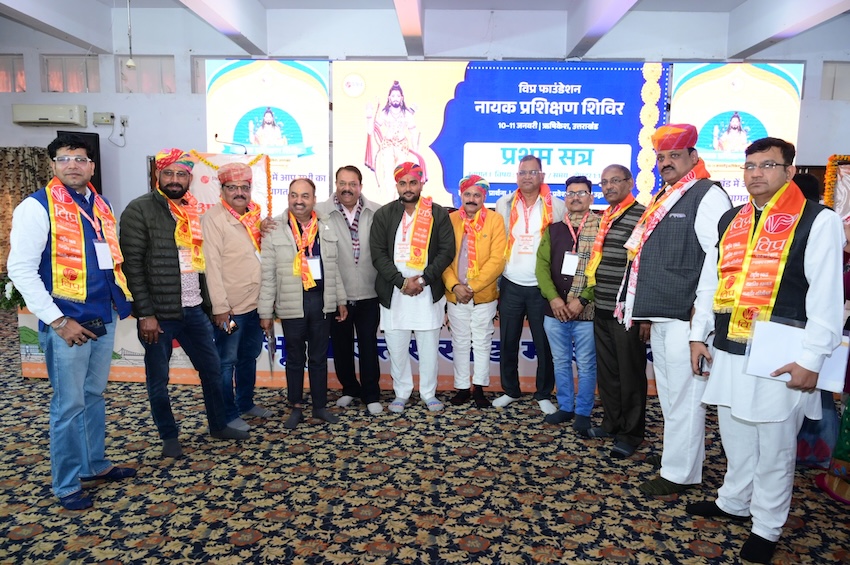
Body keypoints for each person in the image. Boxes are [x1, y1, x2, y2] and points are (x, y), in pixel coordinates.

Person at [687, 137, 844, 564]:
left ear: (790, 171)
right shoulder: (732, 219)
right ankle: (734, 501)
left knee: (774, 444)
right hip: (729, 345)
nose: (756, 173)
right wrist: (699, 334)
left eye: (768, 165)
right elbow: (711, 281)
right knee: (736, 433)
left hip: (782, 350)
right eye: (750, 165)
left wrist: (812, 359)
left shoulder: (818, 220)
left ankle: (768, 525)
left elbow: (826, 296)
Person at [7, 133, 136, 509]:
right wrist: (58, 320)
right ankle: (65, 484)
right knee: (68, 404)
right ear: (53, 165)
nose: (73, 165)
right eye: (64, 159)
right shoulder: (36, 206)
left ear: (92, 166)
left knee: (93, 396)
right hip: (67, 324)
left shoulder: (101, 204)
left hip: (102, 315)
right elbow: (20, 269)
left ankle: (93, 465)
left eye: (80, 158)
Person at [618, 124, 731, 495]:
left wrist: (701, 322)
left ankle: (679, 473)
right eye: (661, 157)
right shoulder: (668, 194)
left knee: (685, 398)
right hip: (664, 314)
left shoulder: (707, 194)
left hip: (688, 317)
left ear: (693, 156)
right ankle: (678, 457)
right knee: (670, 396)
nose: (665, 163)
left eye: (674, 156)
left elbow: (716, 262)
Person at [120, 148, 249, 460]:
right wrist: (145, 314)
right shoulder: (139, 209)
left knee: (212, 369)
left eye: (181, 174)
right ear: (158, 175)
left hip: (194, 309)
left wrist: (210, 306)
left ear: (190, 178)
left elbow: (202, 264)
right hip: (160, 314)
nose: (175, 179)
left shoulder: (192, 210)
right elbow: (132, 266)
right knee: (158, 379)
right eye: (169, 173)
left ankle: (218, 425)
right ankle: (169, 436)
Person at [258, 178, 348, 429]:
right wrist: (265, 311)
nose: (299, 201)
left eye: (305, 196)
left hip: (321, 302)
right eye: (294, 195)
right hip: (291, 302)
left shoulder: (326, 226)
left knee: (318, 358)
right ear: (288, 197)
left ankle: (320, 406)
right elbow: (268, 275)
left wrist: (341, 300)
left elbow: (334, 268)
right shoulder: (274, 229)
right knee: (295, 358)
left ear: (314, 199)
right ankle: (295, 406)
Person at [370, 162, 455, 413]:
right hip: (394, 293)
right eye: (403, 183)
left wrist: (424, 280)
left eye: (413, 182)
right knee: (397, 348)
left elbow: (446, 251)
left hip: (427, 293)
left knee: (428, 349)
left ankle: (429, 393)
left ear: (421, 183)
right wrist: (402, 282)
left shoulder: (437, 213)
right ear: (396, 185)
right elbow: (378, 254)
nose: (408, 188)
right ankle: (402, 392)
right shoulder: (384, 214)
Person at [580, 164, 648, 459]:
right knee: (608, 373)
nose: (608, 187)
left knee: (630, 375)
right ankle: (612, 423)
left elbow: (645, 266)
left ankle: (631, 434)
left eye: (615, 181)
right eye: (604, 182)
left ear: (630, 182)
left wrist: (643, 314)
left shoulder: (642, 216)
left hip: (627, 312)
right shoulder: (606, 217)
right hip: (602, 307)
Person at [201, 162, 273, 433]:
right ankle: (227, 415)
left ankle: (245, 403)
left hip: (254, 306)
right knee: (226, 361)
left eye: (244, 187)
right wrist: (220, 308)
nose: (239, 192)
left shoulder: (254, 216)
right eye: (232, 187)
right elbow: (211, 267)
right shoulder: (213, 220)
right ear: (222, 190)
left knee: (249, 356)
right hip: (230, 310)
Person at [494, 155, 566, 414]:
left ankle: (543, 393)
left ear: (542, 176)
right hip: (511, 283)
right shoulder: (503, 204)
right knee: (508, 341)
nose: (527, 177)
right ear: (517, 176)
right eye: (523, 172)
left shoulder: (557, 206)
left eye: (533, 172)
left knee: (544, 343)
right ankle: (510, 390)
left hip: (541, 287)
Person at [315, 165, 383, 415]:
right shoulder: (320, 211)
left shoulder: (377, 211)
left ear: (360, 186)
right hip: (337, 293)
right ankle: (349, 389)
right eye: (342, 183)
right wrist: (268, 222)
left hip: (369, 292)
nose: (347, 188)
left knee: (368, 345)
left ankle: (371, 394)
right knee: (341, 345)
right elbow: (291, 215)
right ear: (336, 184)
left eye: (352, 184)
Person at [535, 176, 600, 429]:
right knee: (560, 362)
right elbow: (541, 267)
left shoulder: (602, 228)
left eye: (581, 193)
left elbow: (605, 269)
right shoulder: (554, 229)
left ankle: (583, 411)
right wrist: (554, 299)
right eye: (571, 193)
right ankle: (565, 407)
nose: (575, 197)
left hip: (588, 311)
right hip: (555, 311)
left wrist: (582, 300)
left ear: (591, 197)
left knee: (586, 364)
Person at [442, 175, 506, 408]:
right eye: (467, 194)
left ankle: (479, 387)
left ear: (484, 197)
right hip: (456, 294)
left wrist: (472, 287)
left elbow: (497, 259)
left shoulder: (495, 220)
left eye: (476, 195)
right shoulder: (450, 220)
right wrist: (455, 286)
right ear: (461, 195)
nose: (471, 199)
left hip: (483, 295)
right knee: (459, 341)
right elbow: (443, 257)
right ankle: (461, 388)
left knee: (481, 342)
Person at [365, 81, 423, 202]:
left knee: (402, 175)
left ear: (402, 98)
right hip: (387, 147)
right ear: (389, 98)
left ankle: (400, 201)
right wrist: (369, 116)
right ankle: (390, 202)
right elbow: (373, 130)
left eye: (398, 96)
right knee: (388, 175)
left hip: (402, 147)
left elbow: (413, 132)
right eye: (393, 96)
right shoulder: (384, 113)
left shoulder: (407, 114)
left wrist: (416, 151)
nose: (395, 98)